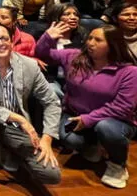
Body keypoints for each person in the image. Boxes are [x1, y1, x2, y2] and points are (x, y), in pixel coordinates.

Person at [0, 22, 61, 196]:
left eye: (4, 38)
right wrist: (19, 118)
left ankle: (9, 149)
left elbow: (52, 102)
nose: (0, 43)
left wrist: (47, 138)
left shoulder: (29, 65)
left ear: (12, 41)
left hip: (15, 129)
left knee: (51, 174)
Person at [37, 23, 137, 189]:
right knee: (69, 139)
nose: (90, 43)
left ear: (112, 45)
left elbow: (123, 107)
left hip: (113, 120)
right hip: (76, 114)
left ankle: (117, 165)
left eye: (97, 40)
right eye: (90, 38)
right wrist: (47, 37)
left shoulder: (129, 72)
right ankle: (93, 144)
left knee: (106, 128)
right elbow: (43, 54)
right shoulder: (74, 57)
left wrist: (88, 119)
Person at [39, 4, 88, 98]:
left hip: (76, 79)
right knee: (52, 91)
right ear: (57, 17)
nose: (73, 17)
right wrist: (47, 38)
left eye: (76, 14)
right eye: (67, 14)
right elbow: (38, 53)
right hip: (50, 78)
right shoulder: (43, 35)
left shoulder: (83, 37)